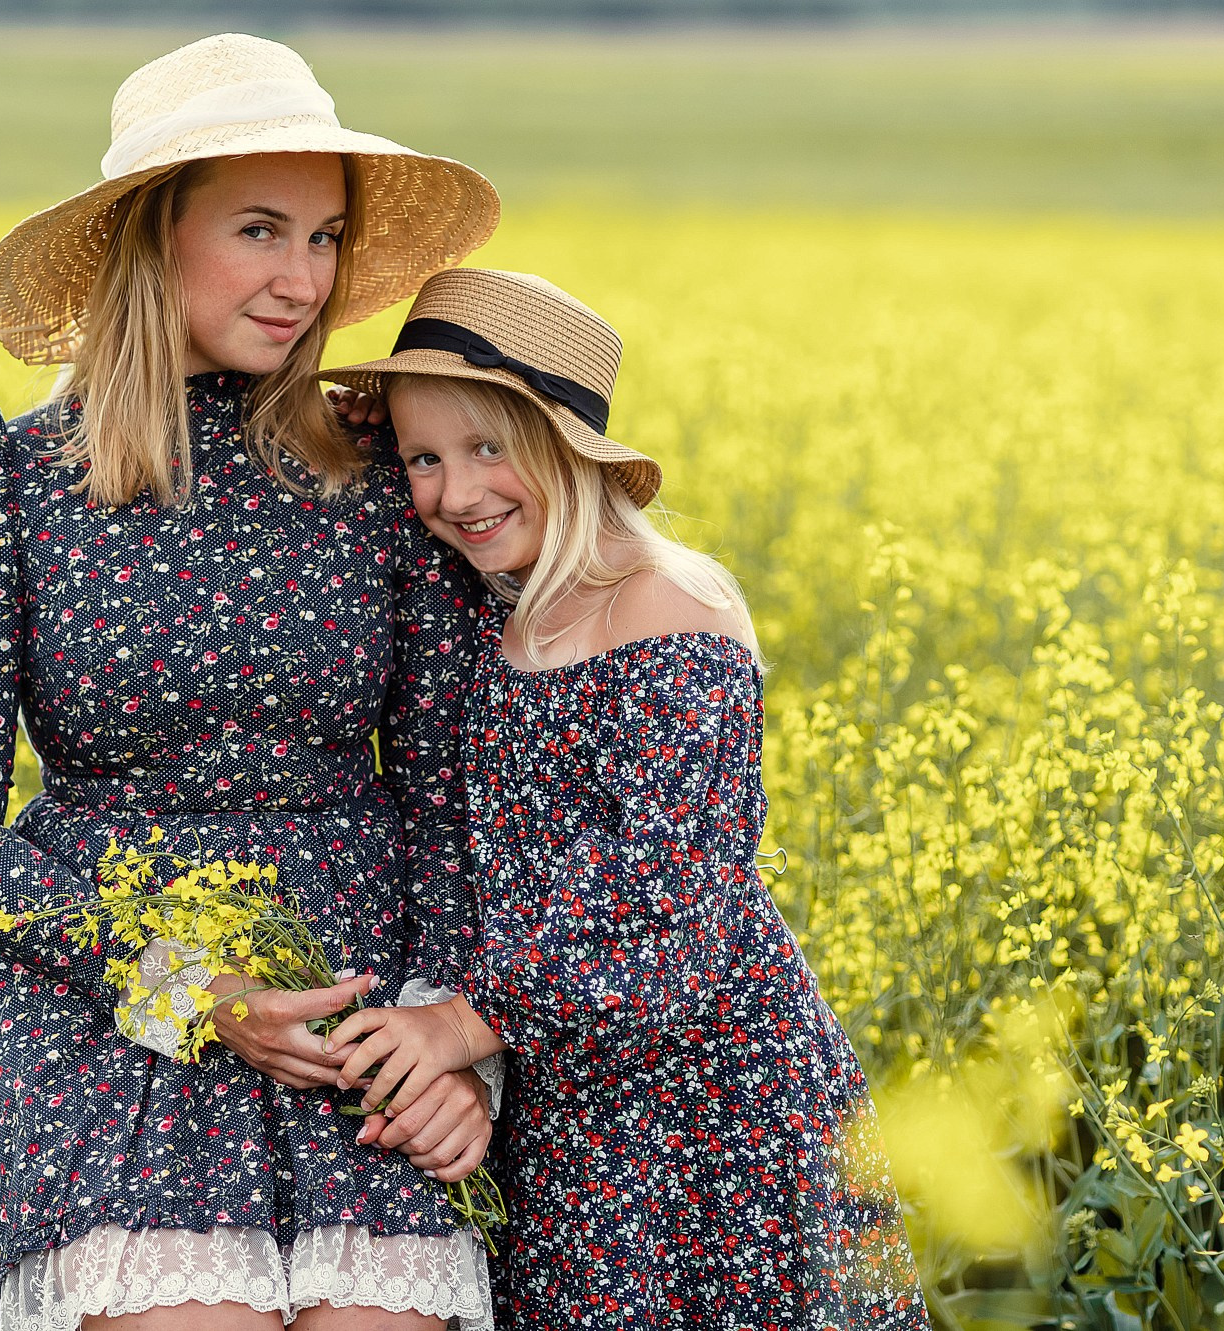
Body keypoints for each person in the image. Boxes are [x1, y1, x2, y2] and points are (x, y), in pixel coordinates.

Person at [0, 34, 509, 1331]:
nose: (303, 280)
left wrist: (448, 1037)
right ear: (149, 237)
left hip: (352, 1014)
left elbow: (450, 796)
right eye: (260, 229)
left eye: (325, 238)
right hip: (105, 1010)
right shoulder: (7, 474)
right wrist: (186, 990)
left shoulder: (380, 467)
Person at [317, 269, 931, 1330]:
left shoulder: (667, 613)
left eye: (489, 447)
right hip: (570, 1097)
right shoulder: (504, 603)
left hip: (709, 1100)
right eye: (425, 458)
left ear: (569, 448)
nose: (456, 493)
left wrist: (462, 1022)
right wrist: (373, 440)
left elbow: (667, 907)